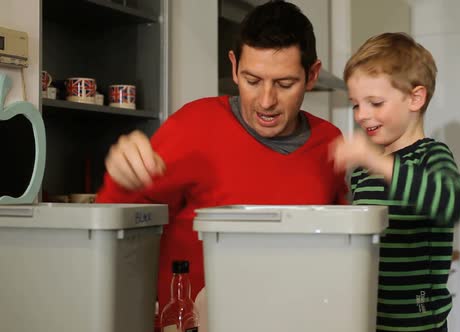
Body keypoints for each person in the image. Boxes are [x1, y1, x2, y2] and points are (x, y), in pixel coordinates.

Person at [96, 0, 348, 320]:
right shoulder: (193, 127)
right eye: (252, 80)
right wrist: (120, 178)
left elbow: (339, 255)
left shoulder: (330, 143)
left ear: (312, 75)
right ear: (233, 67)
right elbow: (115, 233)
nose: (266, 101)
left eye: (285, 84)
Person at [331, 32, 460, 332]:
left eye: (375, 102)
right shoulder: (362, 172)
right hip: (369, 319)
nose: (361, 115)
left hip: (418, 324)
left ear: (415, 98)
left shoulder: (430, 155)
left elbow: (455, 203)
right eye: (356, 104)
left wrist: (377, 162)